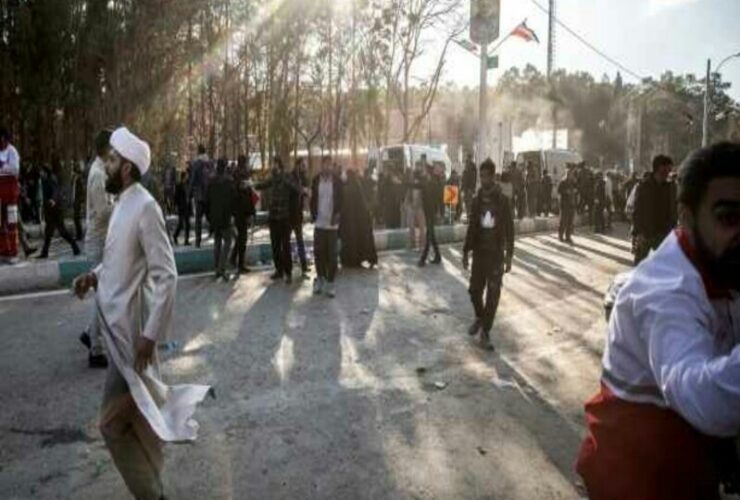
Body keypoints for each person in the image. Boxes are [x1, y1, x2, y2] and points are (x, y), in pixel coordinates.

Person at [576, 142, 740, 500]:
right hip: (636, 482)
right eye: (728, 218)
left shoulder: (720, 265)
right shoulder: (665, 293)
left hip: (689, 467)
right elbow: (700, 394)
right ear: (689, 215)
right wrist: (640, 237)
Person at [72, 127, 210, 500]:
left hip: (132, 341)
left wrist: (150, 335)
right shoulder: (122, 205)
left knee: (111, 425)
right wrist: (93, 276)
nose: (107, 165)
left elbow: (167, 274)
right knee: (142, 421)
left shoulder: (145, 206)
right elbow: (118, 265)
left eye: (113, 160)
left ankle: (153, 495)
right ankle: (154, 488)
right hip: (119, 336)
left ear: (128, 169)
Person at [462, 159, 514, 351]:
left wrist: (509, 256)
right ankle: (479, 317)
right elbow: (471, 227)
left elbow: (510, 230)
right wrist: (466, 251)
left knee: (493, 296)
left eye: (486, 176)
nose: (483, 180)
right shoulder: (476, 201)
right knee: (474, 291)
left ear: (493, 176)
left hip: (496, 257)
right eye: (481, 176)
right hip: (479, 255)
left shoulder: (503, 201)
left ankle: (485, 331)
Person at [79, 129, 114, 369]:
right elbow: (103, 212)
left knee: (104, 293)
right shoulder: (98, 175)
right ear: (107, 149)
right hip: (98, 239)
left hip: (99, 238)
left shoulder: (99, 170)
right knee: (103, 296)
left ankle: (90, 333)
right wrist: (122, 205)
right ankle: (96, 348)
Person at [255, 156, 300, 284]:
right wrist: (252, 184)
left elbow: (296, 188)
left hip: (284, 218)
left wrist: (304, 190)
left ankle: (288, 272)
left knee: (285, 246)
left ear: (278, 165)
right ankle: (279, 271)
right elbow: (263, 185)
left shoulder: (286, 177)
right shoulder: (273, 178)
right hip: (273, 218)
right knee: (275, 246)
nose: (272, 166)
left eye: (273, 164)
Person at [632, 154, 677, 265]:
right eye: (668, 168)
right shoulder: (644, 186)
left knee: (663, 268)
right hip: (646, 234)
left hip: (663, 234)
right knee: (639, 267)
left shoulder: (670, 188)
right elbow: (637, 211)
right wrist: (638, 233)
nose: (669, 171)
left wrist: (673, 228)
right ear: (660, 168)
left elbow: (673, 209)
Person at [311, 155, 342, 297]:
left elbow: (342, 200)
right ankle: (320, 280)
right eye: (325, 164)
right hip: (319, 223)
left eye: (330, 165)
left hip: (332, 225)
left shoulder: (337, 181)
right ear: (322, 165)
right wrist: (313, 215)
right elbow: (313, 200)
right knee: (319, 254)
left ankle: (331, 284)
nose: (327, 167)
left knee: (333, 256)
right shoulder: (316, 180)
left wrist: (338, 214)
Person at [38, 159, 81, 258]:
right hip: (49, 210)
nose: (40, 173)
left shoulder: (51, 179)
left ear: (45, 171)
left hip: (56, 210)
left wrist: (53, 200)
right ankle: (45, 253)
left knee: (62, 232)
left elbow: (55, 191)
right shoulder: (44, 180)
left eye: (42, 171)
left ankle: (75, 247)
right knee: (48, 233)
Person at [339, 169, 377, 269]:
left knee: (351, 241)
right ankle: (364, 259)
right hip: (361, 220)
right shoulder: (357, 186)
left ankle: (351, 260)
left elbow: (345, 206)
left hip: (351, 221)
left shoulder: (347, 189)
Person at [208, 158, 236, 280]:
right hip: (225, 216)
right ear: (225, 167)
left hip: (214, 216)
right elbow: (234, 199)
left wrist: (209, 216)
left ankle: (217, 268)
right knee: (228, 242)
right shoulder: (229, 181)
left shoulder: (212, 181)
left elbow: (207, 199)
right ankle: (222, 268)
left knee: (217, 242)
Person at [230, 154, 256, 274]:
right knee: (243, 237)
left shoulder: (234, 175)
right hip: (243, 211)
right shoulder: (243, 175)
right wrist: (251, 212)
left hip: (236, 210)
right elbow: (247, 196)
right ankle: (240, 264)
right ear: (244, 163)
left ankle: (233, 258)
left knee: (240, 236)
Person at [0, 127, 21, 261]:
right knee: (0, 222)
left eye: (2, 140)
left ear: (6, 139)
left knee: (12, 221)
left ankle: (13, 251)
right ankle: (3, 250)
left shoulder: (12, 151)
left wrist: (2, 166)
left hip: (10, 189)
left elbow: (15, 169)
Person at [289, 158, 310, 279]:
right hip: (290, 213)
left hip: (298, 214)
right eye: (303, 165)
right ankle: (286, 266)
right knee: (287, 240)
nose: (304, 167)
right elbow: (296, 190)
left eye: (304, 165)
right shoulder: (291, 176)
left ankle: (304, 265)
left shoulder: (303, 177)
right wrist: (302, 190)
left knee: (300, 240)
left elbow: (306, 192)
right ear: (297, 165)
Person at [418, 163, 443, 267]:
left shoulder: (434, 183)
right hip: (429, 212)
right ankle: (438, 256)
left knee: (429, 235)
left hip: (431, 212)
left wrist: (440, 213)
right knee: (431, 235)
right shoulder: (431, 182)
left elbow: (440, 200)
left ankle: (423, 259)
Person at [188, 144, 212, 248]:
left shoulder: (197, 164)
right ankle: (214, 233)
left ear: (198, 152)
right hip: (209, 195)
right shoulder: (210, 163)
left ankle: (198, 241)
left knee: (198, 219)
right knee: (210, 216)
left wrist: (189, 194)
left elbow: (193, 180)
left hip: (199, 196)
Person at [405, 161, 426, 251]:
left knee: (422, 226)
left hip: (420, 205)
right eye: (416, 166)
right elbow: (409, 189)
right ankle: (412, 243)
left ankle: (422, 244)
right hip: (411, 204)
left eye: (419, 166)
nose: (417, 168)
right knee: (411, 225)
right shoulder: (412, 176)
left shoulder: (423, 177)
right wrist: (406, 202)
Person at [558, 168, 578, 244]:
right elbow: (559, 191)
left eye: (572, 174)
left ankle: (568, 236)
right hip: (565, 204)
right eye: (570, 174)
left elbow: (576, 189)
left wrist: (575, 190)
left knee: (570, 221)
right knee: (563, 221)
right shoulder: (563, 182)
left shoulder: (573, 182)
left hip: (572, 203)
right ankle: (560, 236)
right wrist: (566, 191)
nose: (571, 175)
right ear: (567, 174)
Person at [71, 161, 86, 241]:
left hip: (78, 201)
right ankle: (78, 234)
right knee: (75, 218)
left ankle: (79, 235)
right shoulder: (74, 178)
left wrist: (81, 201)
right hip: (74, 200)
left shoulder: (79, 179)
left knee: (77, 218)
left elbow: (82, 191)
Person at [461, 154, 477, 220]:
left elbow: (473, 178)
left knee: (469, 202)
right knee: (466, 201)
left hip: (469, 187)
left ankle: (469, 215)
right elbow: (464, 177)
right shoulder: (467, 166)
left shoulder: (473, 166)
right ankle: (468, 214)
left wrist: (472, 188)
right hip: (466, 187)